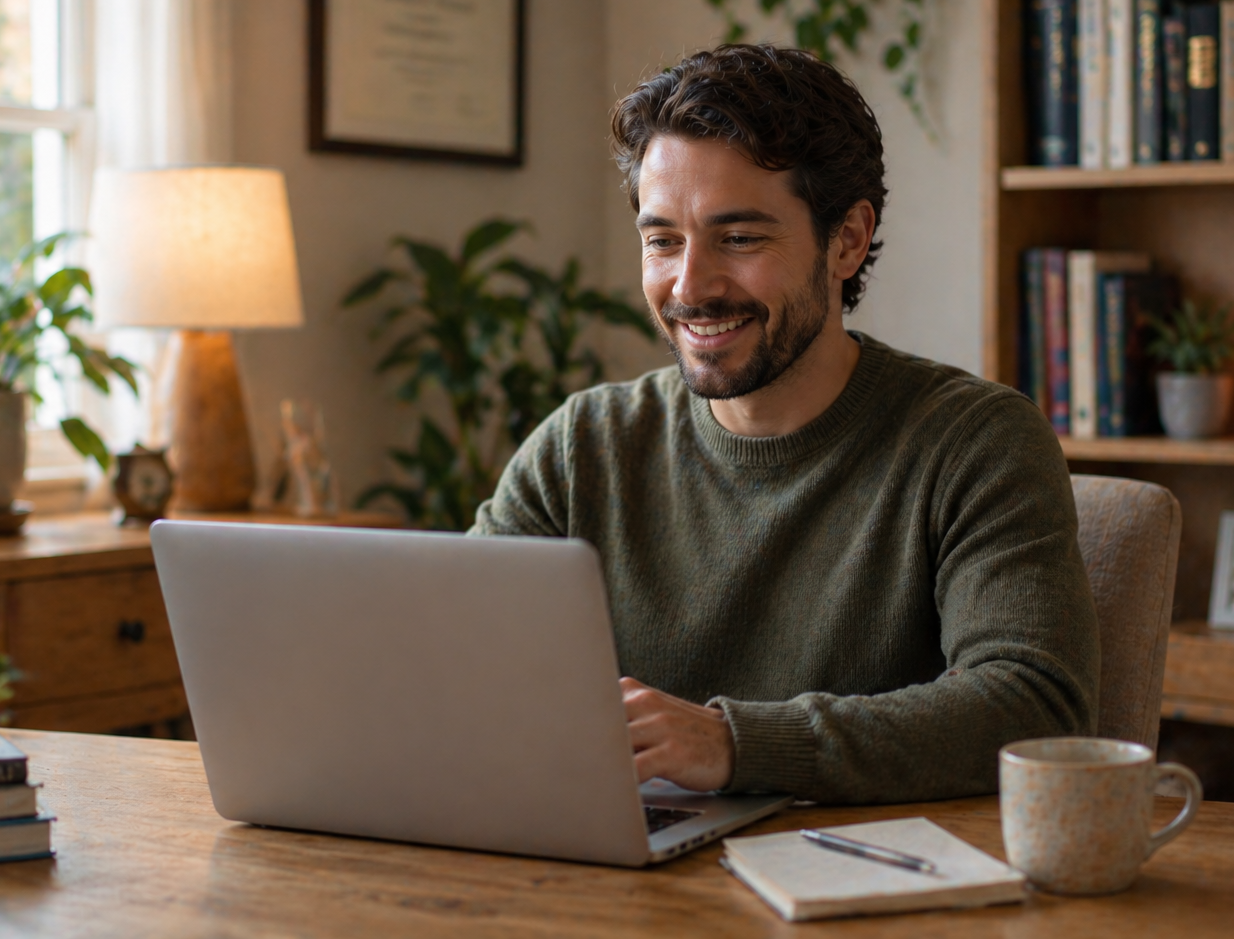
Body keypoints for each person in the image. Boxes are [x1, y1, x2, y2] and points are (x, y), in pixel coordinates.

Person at [470, 44, 1099, 804]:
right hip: (621, 881)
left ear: (848, 240)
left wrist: (735, 744)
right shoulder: (584, 446)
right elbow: (453, 663)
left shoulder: (974, 442)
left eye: (739, 238)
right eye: (662, 239)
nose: (690, 284)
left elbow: (1034, 706)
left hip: (864, 892)